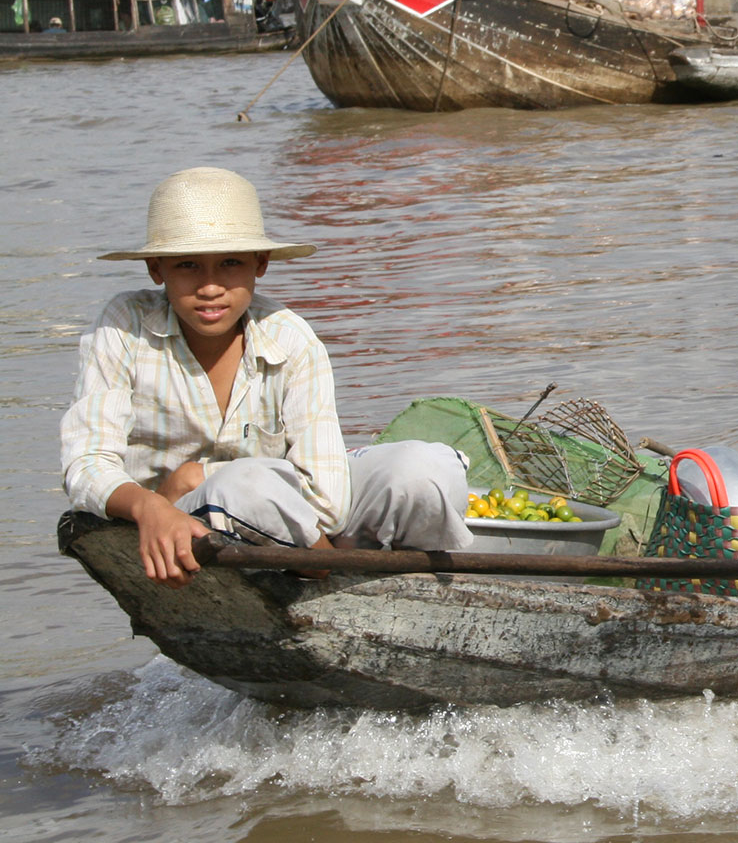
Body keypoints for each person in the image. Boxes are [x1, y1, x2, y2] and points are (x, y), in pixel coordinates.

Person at [59, 167, 475, 588]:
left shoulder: (289, 336)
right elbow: (86, 466)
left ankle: (409, 581)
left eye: (230, 263)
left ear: (260, 264)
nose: (210, 287)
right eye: (187, 266)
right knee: (244, 485)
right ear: (156, 269)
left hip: (287, 512)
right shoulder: (123, 326)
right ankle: (335, 570)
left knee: (423, 469)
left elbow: (328, 503)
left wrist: (198, 473)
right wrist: (152, 506)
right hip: (182, 519)